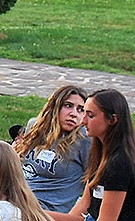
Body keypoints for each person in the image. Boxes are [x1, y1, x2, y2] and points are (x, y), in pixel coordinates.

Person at [49, 88, 135, 221]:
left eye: (90, 115)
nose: (82, 121)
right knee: (34, 219)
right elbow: (85, 202)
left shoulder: (120, 162)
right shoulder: (100, 151)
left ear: (112, 119)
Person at [11, 83, 92, 213]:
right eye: (68, 106)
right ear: (55, 107)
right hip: (15, 197)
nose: (74, 114)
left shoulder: (84, 139)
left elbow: (94, 185)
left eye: (81, 109)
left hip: (47, 211)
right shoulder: (35, 127)